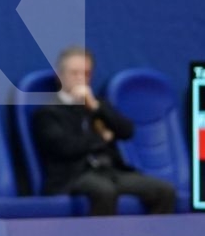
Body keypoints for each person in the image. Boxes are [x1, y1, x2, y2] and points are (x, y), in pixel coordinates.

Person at [32, 46, 177, 217]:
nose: (80, 79)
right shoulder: (48, 113)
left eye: (85, 74)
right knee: (103, 191)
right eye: (74, 73)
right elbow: (65, 148)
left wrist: (95, 107)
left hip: (110, 171)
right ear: (60, 76)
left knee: (164, 191)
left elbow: (127, 131)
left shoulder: (97, 106)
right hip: (73, 176)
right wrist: (101, 139)